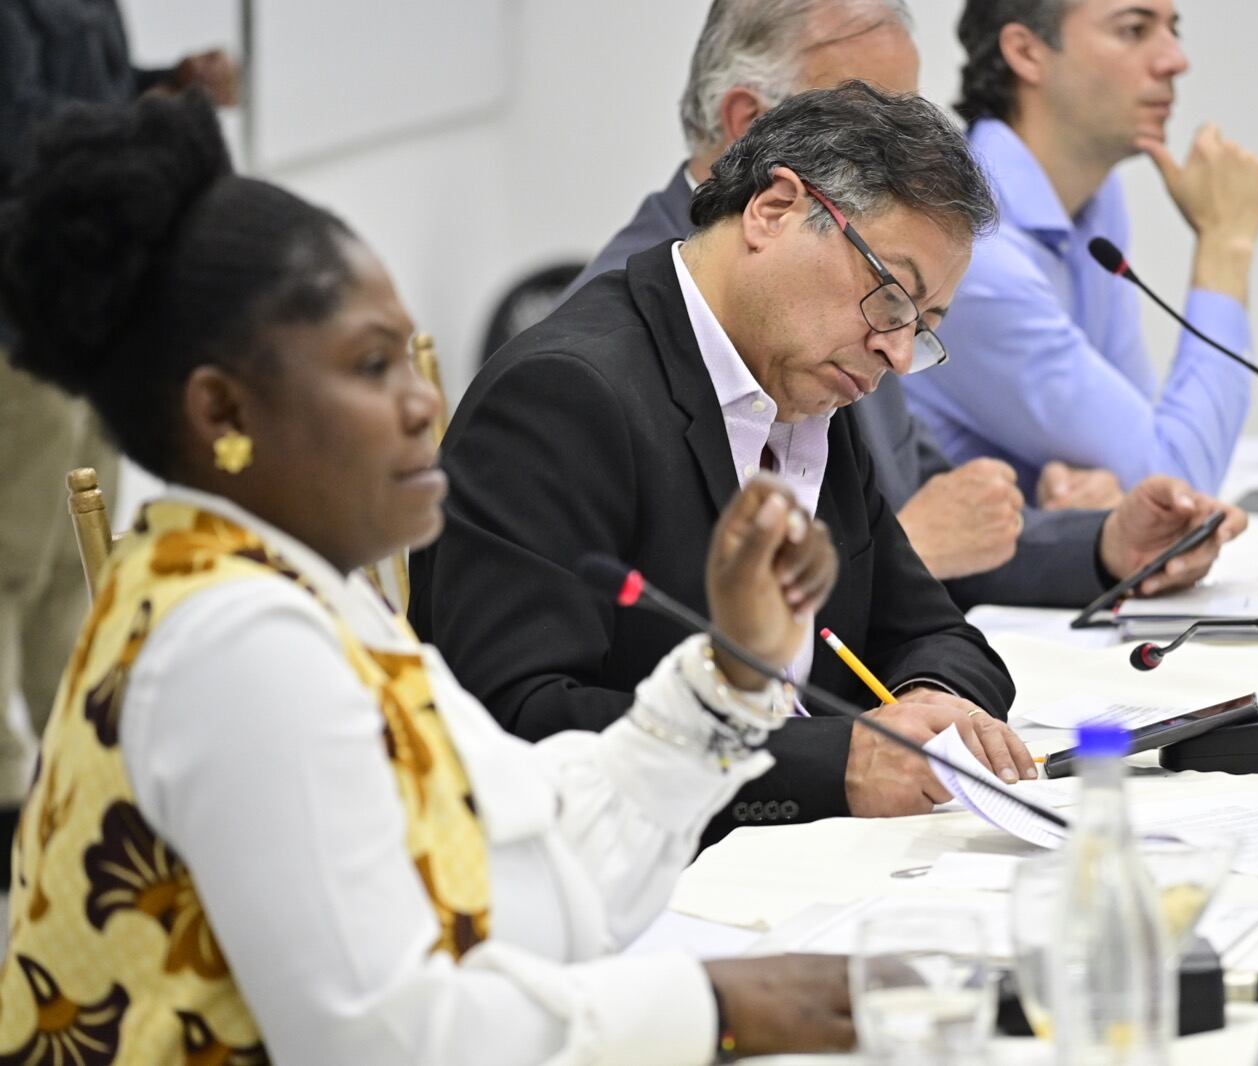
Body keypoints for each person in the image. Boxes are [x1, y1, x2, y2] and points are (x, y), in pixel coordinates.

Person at [0, 90, 853, 1064]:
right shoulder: (237, 639)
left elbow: (527, 864)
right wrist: (712, 1008)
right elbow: (385, 1038)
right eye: (370, 368)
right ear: (222, 411)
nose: (421, 403)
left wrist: (731, 675)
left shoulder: (293, 587)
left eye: (408, 359)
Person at [411, 82, 1031, 847]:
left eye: (924, 326)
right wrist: (836, 762)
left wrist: (933, 705)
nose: (898, 353)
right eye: (891, 297)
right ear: (773, 210)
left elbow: (934, 630)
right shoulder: (566, 395)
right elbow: (516, 718)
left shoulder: (811, 387)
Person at [558, 0, 1246, 610]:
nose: (911, 156)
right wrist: (903, 554)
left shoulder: (866, 292)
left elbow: (933, 510)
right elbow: (632, 632)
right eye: (865, 120)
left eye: (912, 114)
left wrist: (1104, 545)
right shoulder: (599, 355)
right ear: (749, 128)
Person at [0, 0, 239, 870]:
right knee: (8, 564)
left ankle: (81, 770)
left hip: (91, 313)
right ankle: (11, 809)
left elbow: (83, 89)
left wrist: (166, 88)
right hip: (17, 323)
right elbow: (20, 125)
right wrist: (147, 128)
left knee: (73, 561)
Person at [903, 0, 1258, 505]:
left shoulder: (1095, 202)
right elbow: (1176, 482)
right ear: (1026, 53)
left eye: (1172, 29)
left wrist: (1108, 484)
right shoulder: (969, 247)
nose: (1175, 60)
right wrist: (1224, 243)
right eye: (1134, 29)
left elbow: (1139, 445)